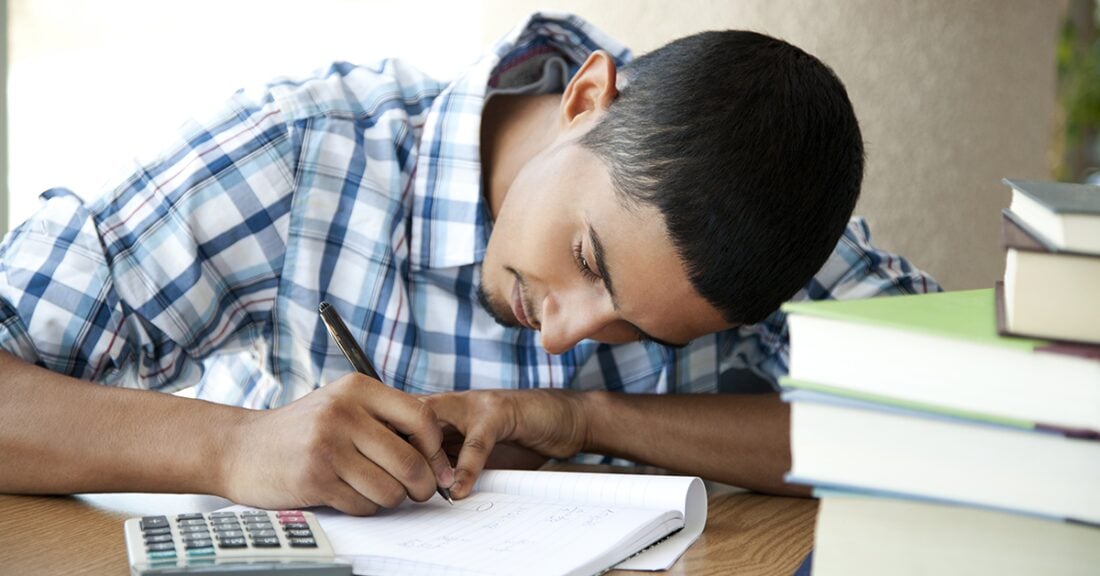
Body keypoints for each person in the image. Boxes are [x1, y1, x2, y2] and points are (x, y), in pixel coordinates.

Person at [0, 13, 938, 515]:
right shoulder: (300, 158)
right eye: (585, 259)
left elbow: (953, 433)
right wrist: (232, 448)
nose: (571, 333)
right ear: (585, 97)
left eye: (632, 331)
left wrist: (588, 417)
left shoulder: (755, 204)